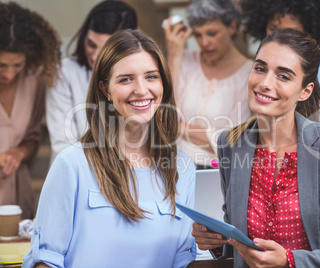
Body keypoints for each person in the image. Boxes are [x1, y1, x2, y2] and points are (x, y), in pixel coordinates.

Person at [192, 29, 320, 267]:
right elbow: (241, 241)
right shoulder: (230, 145)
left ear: (305, 91)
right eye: (260, 68)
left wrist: (290, 260)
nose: (264, 83)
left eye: (283, 76)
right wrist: (218, 241)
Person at [23, 29, 196, 268]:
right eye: (126, 79)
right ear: (105, 90)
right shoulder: (72, 164)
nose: (141, 89)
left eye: (151, 76)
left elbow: (181, 257)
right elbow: (46, 259)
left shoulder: (182, 168)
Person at [239, 0, 320, 154]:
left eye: (290, 31)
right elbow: (263, 129)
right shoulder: (263, 66)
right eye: (273, 28)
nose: (280, 37)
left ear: (311, 31)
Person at [163, 0, 252, 168]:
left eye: (212, 33)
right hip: (172, 166)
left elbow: (231, 141)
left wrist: (177, 128)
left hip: (217, 174)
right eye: (198, 35)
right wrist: (173, 59)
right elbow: (163, 114)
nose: (204, 42)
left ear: (232, 27)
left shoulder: (250, 74)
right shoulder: (184, 60)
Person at [47, 0, 138, 163]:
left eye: (105, 49)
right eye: (91, 44)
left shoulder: (137, 76)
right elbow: (63, 142)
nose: (95, 55)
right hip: (77, 170)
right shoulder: (64, 72)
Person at [0, 2, 61, 219]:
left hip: (18, 200)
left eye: (17, 65)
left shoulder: (34, 80)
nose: (9, 74)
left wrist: (19, 153)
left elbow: (33, 138)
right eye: (1, 65)